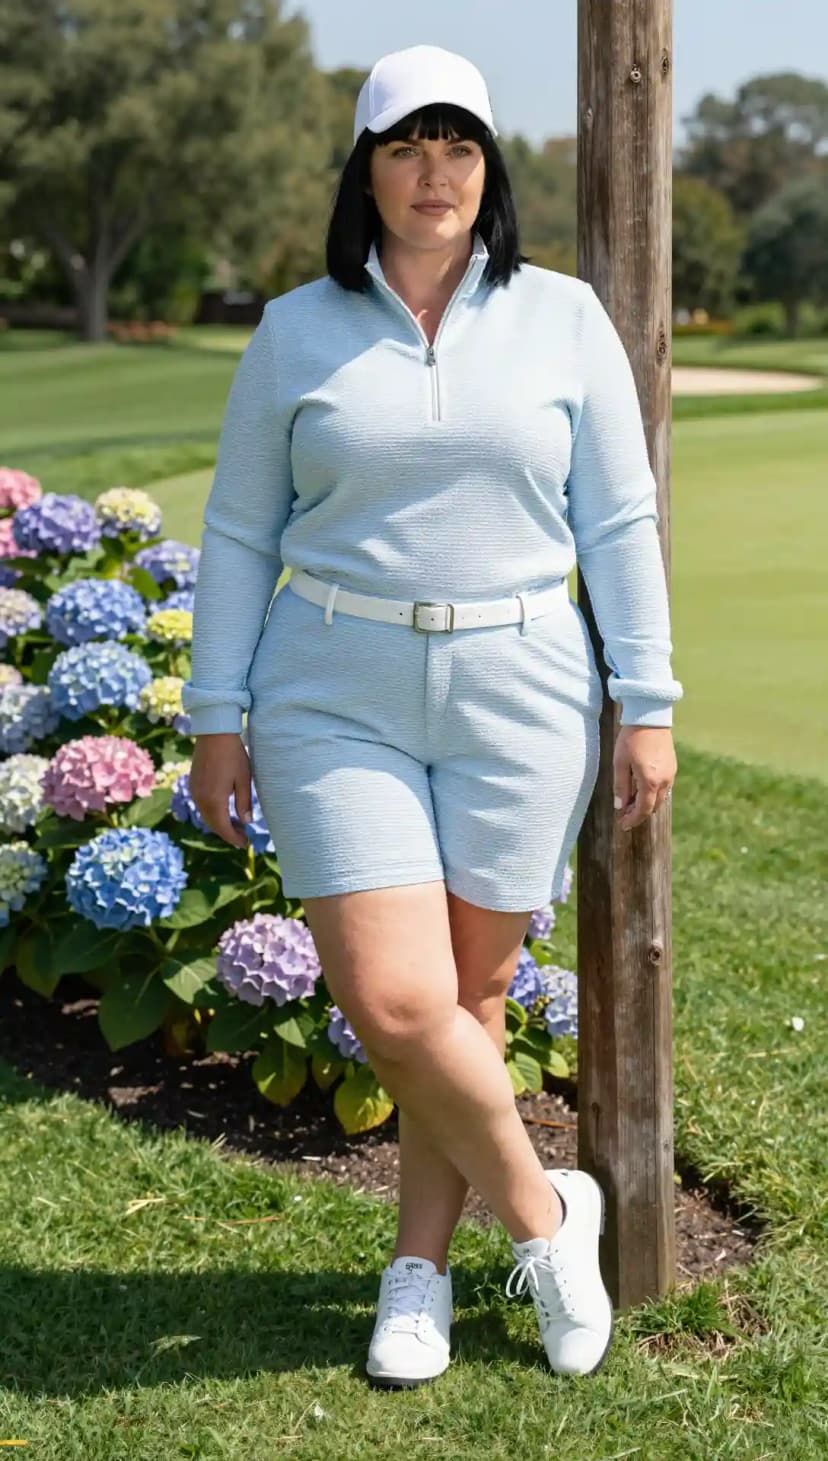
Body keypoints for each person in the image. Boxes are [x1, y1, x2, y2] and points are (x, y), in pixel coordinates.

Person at [182, 43, 682, 1388]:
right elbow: (237, 535)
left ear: (491, 166)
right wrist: (212, 711)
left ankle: (418, 1273)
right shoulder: (295, 328)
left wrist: (650, 695)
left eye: (459, 144)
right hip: (329, 685)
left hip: (522, 692)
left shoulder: (565, 318)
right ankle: (544, 1213)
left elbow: (620, 520)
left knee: (458, 1002)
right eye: (405, 146)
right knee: (399, 997)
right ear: (365, 169)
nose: (434, 172)